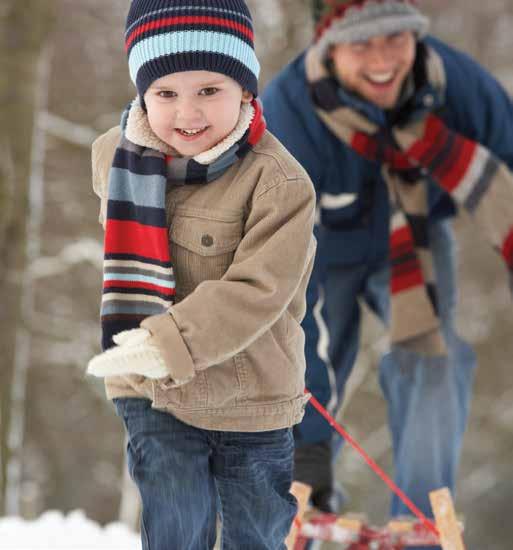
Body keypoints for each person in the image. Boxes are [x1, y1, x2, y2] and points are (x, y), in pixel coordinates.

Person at [262, 0, 513, 534]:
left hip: (413, 238)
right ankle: (299, 497)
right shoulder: (289, 115)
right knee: (313, 361)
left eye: (395, 38)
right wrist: (307, 444)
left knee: (436, 363)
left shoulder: (455, 87)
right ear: (328, 46)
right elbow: (282, 292)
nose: (382, 58)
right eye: (361, 43)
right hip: (315, 252)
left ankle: (420, 517)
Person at [86, 1, 317, 548]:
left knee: (255, 534)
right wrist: (144, 353)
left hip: (251, 398)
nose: (187, 112)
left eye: (209, 90)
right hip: (153, 392)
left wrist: (165, 343)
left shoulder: (280, 184)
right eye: (165, 93)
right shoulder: (116, 161)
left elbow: (257, 292)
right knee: (177, 522)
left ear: (245, 89)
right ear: (143, 94)